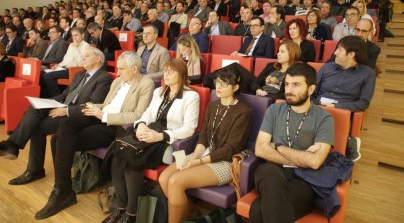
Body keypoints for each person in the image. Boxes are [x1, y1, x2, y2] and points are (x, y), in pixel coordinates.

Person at [35, 51, 155, 220]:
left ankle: (62, 191)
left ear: (134, 69)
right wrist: (93, 107)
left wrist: (102, 115)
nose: (118, 72)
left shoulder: (146, 83)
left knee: (57, 141)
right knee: (63, 128)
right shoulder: (119, 81)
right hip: (100, 116)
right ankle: (62, 189)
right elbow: (106, 104)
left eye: (122, 69)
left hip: (115, 126)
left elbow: (137, 115)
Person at [104, 58, 200, 223]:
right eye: (165, 71)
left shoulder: (191, 96)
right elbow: (147, 114)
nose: (166, 74)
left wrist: (160, 136)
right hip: (149, 132)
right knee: (117, 151)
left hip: (168, 140)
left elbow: (189, 128)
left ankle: (132, 214)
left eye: (171, 71)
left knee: (132, 158)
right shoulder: (159, 92)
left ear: (182, 74)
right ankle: (121, 208)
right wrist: (141, 125)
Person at [159, 67, 251, 223]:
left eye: (225, 83)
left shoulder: (243, 111)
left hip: (224, 162)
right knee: (164, 178)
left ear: (235, 87)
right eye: (218, 82)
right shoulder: (213, 106)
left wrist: (197, 162)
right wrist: (194, 157)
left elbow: (230, 149)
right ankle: (192, 213)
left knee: (175, 181)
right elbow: (204, 137)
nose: (219, 87)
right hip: (204, 154)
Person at [0, 47, 111, 172]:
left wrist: (66, 110)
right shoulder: (80, 74)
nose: (83, 58)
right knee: (34, 107)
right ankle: (13, 146)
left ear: (98, 59)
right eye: (83, 56)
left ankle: (31, 167)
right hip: (64, 106)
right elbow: (65, 95)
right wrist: (47, 102)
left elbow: (92, 105)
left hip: (78, 116)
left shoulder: (104, 78)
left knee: (35, 126)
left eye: (87, 56)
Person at [250, 63, 335, 223]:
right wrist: (302, 159)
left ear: (310, 89)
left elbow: (315, 162)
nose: (289, 90)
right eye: (287, 84)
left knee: (258, 209)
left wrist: (277, 146)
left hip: (304, 179)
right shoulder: (274, 110)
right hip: (271, 168)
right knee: (270, 177)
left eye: (296, 85)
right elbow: (261, 149)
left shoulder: (324, 118)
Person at [314, 35, 376, 112]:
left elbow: (363, 103)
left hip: (340, 112)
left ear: (351, 55)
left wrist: (335, 106)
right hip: (317, 107)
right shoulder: (327, 67)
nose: (335, 53)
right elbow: (312, 89)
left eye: (340, 50)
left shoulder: (367, 74)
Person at [40, 27, 90, 97]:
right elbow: (65, 59)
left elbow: (81, 63)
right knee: (42, 73)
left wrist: (76, 48)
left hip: (74, 71)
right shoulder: (71, 45)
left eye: (76, 35)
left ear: (83, 35)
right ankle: (45, 96)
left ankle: (57, 97)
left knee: (47, 76)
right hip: (63, 68)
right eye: (73, 35)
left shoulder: (86, 46)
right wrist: (58, 65)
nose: (74, 37)